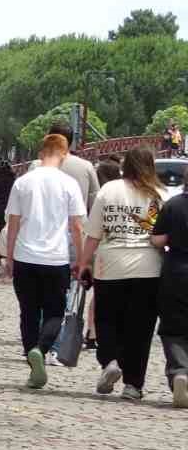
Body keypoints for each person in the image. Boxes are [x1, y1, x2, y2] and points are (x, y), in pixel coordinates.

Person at [76, 147, 164, 400]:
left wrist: (84, 263)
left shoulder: (108, 190)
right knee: (140, 328)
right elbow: (163, 234)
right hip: (148, 267)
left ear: (126, 165)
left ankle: (110, 361)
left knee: (107, 319)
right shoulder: (157, 194)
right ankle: (133, 384)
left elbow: (93, 234)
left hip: (111, 265)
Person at [6, 134, 87, 390]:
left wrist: (9, 257)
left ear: (42, 152)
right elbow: (76, 226)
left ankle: (33, 360)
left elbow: (13, 224)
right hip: (56, 258)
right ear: (64, 153)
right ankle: (41, 349)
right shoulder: (69, 184)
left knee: (28, 311)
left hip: (25, 256)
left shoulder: (23, 182)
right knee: (54, 312)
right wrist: (82, 259)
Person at [149, 184, 188, 408]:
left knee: (172, 329)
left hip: (176, 273)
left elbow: (158, 239)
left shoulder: (173, 205)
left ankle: (180, 372)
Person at [49, 121, 100, 213]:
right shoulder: (86, 167)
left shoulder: (36, 166)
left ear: (49, 139)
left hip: (43, 226)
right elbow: (96, 205)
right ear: (71, 141)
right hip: (78, 225)